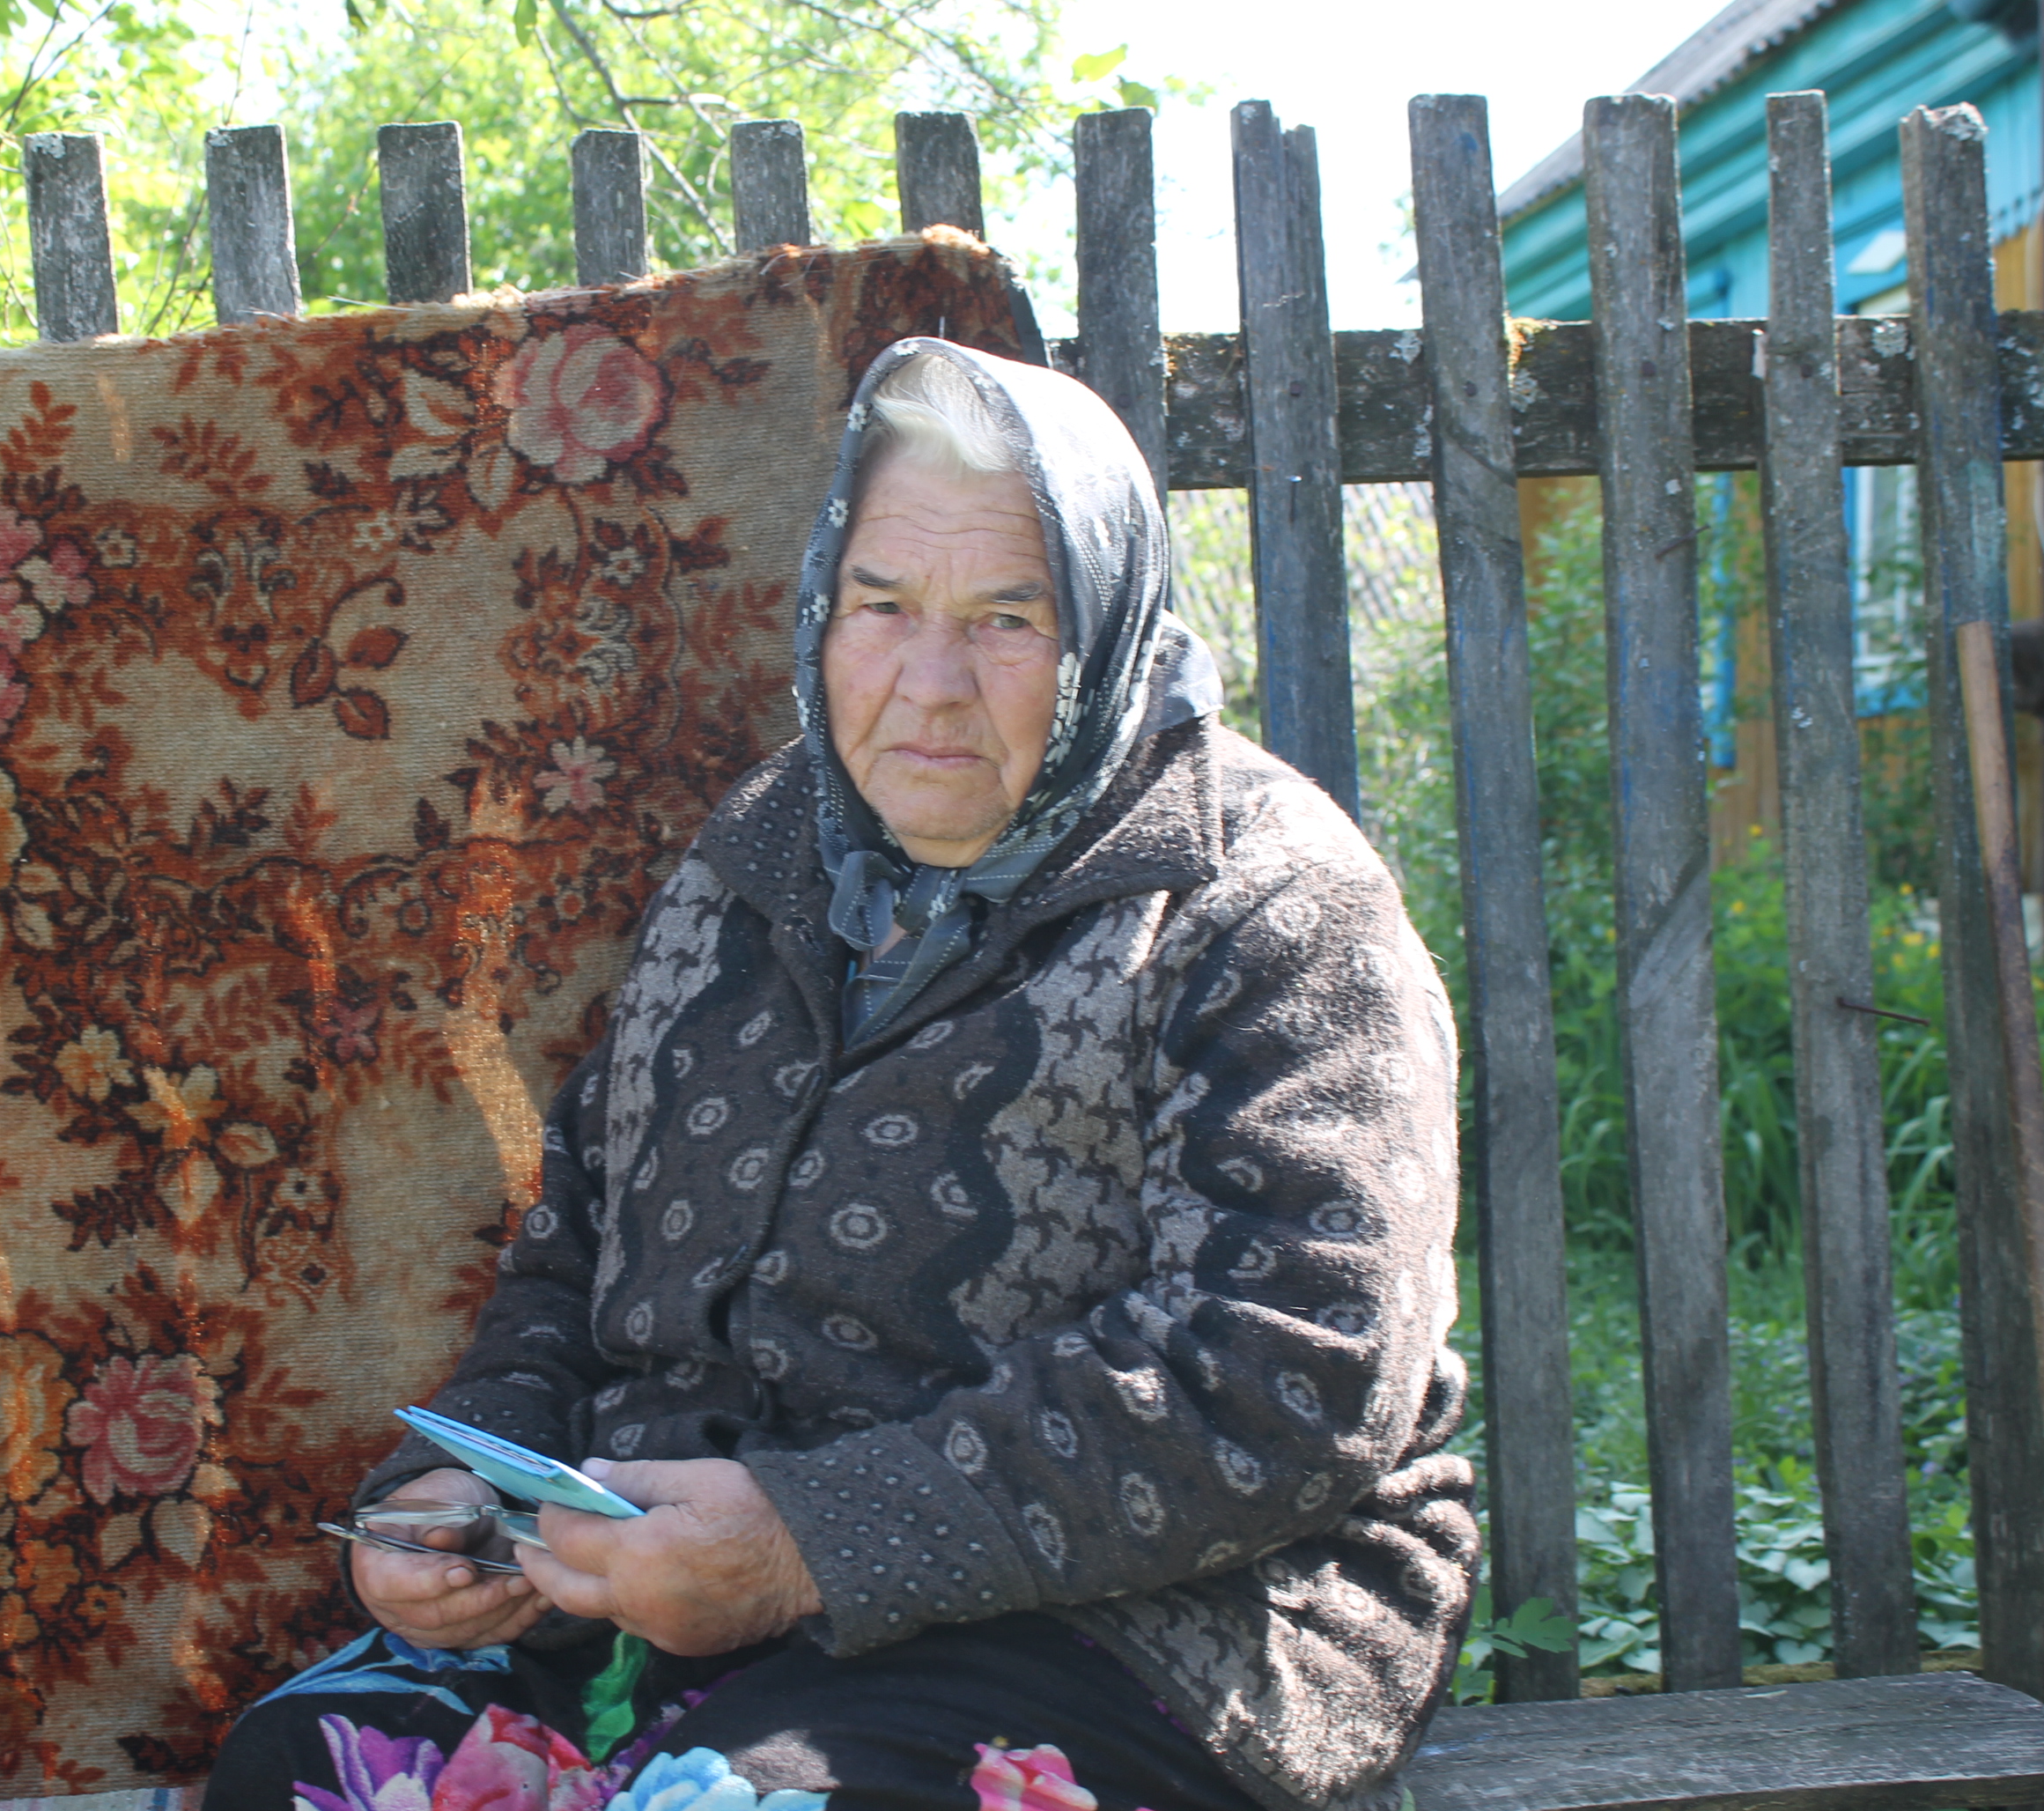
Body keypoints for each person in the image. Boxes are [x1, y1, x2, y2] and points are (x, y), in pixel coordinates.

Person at [202, 339, 1473, 1811]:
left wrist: (809, 1540)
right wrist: (474, 1496)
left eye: (1010, 617)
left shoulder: (1263, 899)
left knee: (738, 1807)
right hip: (682, 1582)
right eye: (884, 606)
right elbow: (579, 1253)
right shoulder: (760, 856)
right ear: (819, 605)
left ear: (1112, 623)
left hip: (1132, 1614)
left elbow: (1294, 1374)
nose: (929, 686)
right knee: (306, 1772)